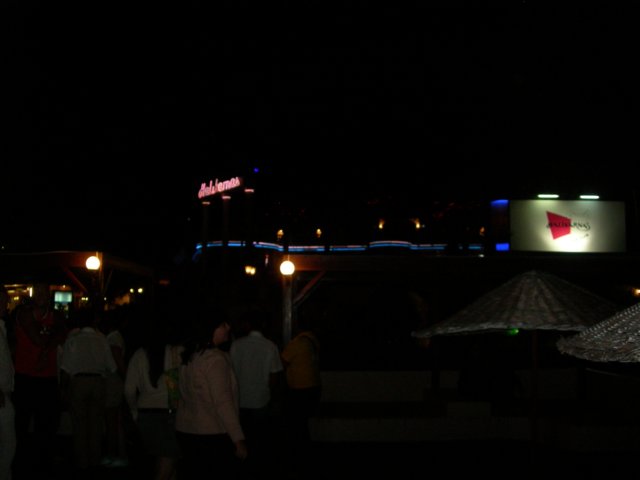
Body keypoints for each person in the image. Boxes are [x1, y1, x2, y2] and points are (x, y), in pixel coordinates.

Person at [175, 304, 247, 479]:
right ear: (211, 328)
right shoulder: (215, 360)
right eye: (223, 324)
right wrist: (238, 439)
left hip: (187, 430)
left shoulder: (190, 356)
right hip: (211, 434)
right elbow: (223, 402)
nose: (228, 328)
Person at [12, 283, 68, 477]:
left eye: (45, 292)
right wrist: (47, 348)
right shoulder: (24, 314)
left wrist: (44, 350)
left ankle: (41, 465)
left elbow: (61, 332)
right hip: (26, 377)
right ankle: (20, 465)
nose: (41, 295)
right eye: (39, 292)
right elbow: (35, 336)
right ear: (33, 295)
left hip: (47, 379)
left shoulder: (56, 316)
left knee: (47, 427)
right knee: (21, 425)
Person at [59, 305, 118, 475]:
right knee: (95, 425)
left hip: (78, 382)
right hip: (98, 382)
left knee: (79, 425)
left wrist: (62, 389)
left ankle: (82, 462)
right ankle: (95, 460)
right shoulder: (102, 339)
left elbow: (65, 368)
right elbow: (112, 366)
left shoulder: (73, 340)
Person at [124, 316, 184, 480]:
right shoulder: (176, 352)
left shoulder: (139, 354)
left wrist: (134, 412)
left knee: (163, 460)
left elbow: (129, 389)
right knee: (168, 460)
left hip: (146, 414)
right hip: (169, 414)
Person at [229, 308, 285, 477]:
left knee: (241, 437)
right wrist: (269, 391)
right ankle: (258, 468)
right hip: (260, 399)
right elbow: (274, 374)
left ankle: (243, 468)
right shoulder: (270, 346)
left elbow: (230, 372)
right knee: (260, 438)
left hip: (240, 400)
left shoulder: (236, 345)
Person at [280, 315, 322, 478]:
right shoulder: (313, 341)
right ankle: (303, 453)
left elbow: (282, 362)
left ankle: (300, 455)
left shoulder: (298, 343)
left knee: (296, 423)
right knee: (301, 421)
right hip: (313, 386)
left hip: (300, 388)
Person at [99, 308, 128, 467]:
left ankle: (113, 454)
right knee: (115, 420)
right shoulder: (115, 336)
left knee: (111, 420)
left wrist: (123, 376)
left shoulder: (113, 337)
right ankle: (119, 453)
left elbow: (117, 359)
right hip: (115, 382)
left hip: (113, 382)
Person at [0, 287, 16, 480]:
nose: (5, 305)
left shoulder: (3, 327)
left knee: (8, 443)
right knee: (8, 442)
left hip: (5, 393)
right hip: (1, 395)